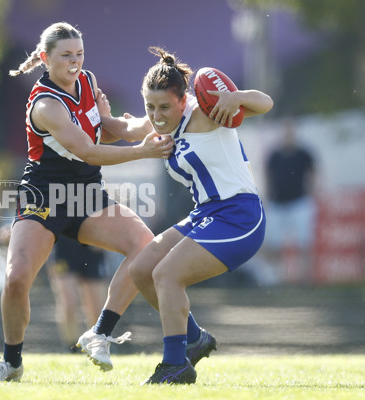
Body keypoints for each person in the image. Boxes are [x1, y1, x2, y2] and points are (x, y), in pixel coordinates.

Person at [0, 21, 177, 382]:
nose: (75, 62)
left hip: (86, 194)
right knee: (16, 279)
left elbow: (108, 127)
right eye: (66, 55)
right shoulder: (45, 104)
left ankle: (99, 332)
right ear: (44, 58)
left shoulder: (88, 81)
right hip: (44, 196)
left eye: (79, 54)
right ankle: (11, 362)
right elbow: (87, 150)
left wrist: (157, 118)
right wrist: (143, 151)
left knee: (144, 244)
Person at [100, 47, 273, 384]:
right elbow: (124, 127)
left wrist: (235, 96)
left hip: (239, 215)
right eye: (150, 106)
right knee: (141, 270)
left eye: (165, 107)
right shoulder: (157, 122)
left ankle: (175, 364)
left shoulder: (207, 112)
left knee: (166, 274)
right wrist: (89, 113)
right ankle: (194, 339)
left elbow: (265, 102)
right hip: (207, 213)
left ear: (184, 100)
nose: (157, 115)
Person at [261, 119, 316, 284]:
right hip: (277, 204)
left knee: (304, 243)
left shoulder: (304, 154)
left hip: (300, 203)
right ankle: (276, 280)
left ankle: (305, 280)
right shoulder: (274, 155)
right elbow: (268, 178)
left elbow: (313, 175)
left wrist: (311, 195)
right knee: (274, 245)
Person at [45, 236, 108, 353]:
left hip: (91, 247)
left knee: (96, 308)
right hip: (63, 248)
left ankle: (97, 348)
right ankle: (72, 348)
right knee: (69, 304)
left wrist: (105, 237)